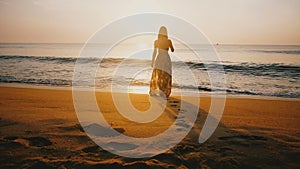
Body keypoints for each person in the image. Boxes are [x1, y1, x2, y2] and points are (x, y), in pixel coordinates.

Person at [150, 26, 174, 98]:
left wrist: (152, 61)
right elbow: (172, 50)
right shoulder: (169, 41)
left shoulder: (156, 41)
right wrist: (169, 46)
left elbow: (154, 52)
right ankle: (164, 92)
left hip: (159, 58)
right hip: (166, 58)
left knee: (158, 75)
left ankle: (155, 91)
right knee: (166, 75)